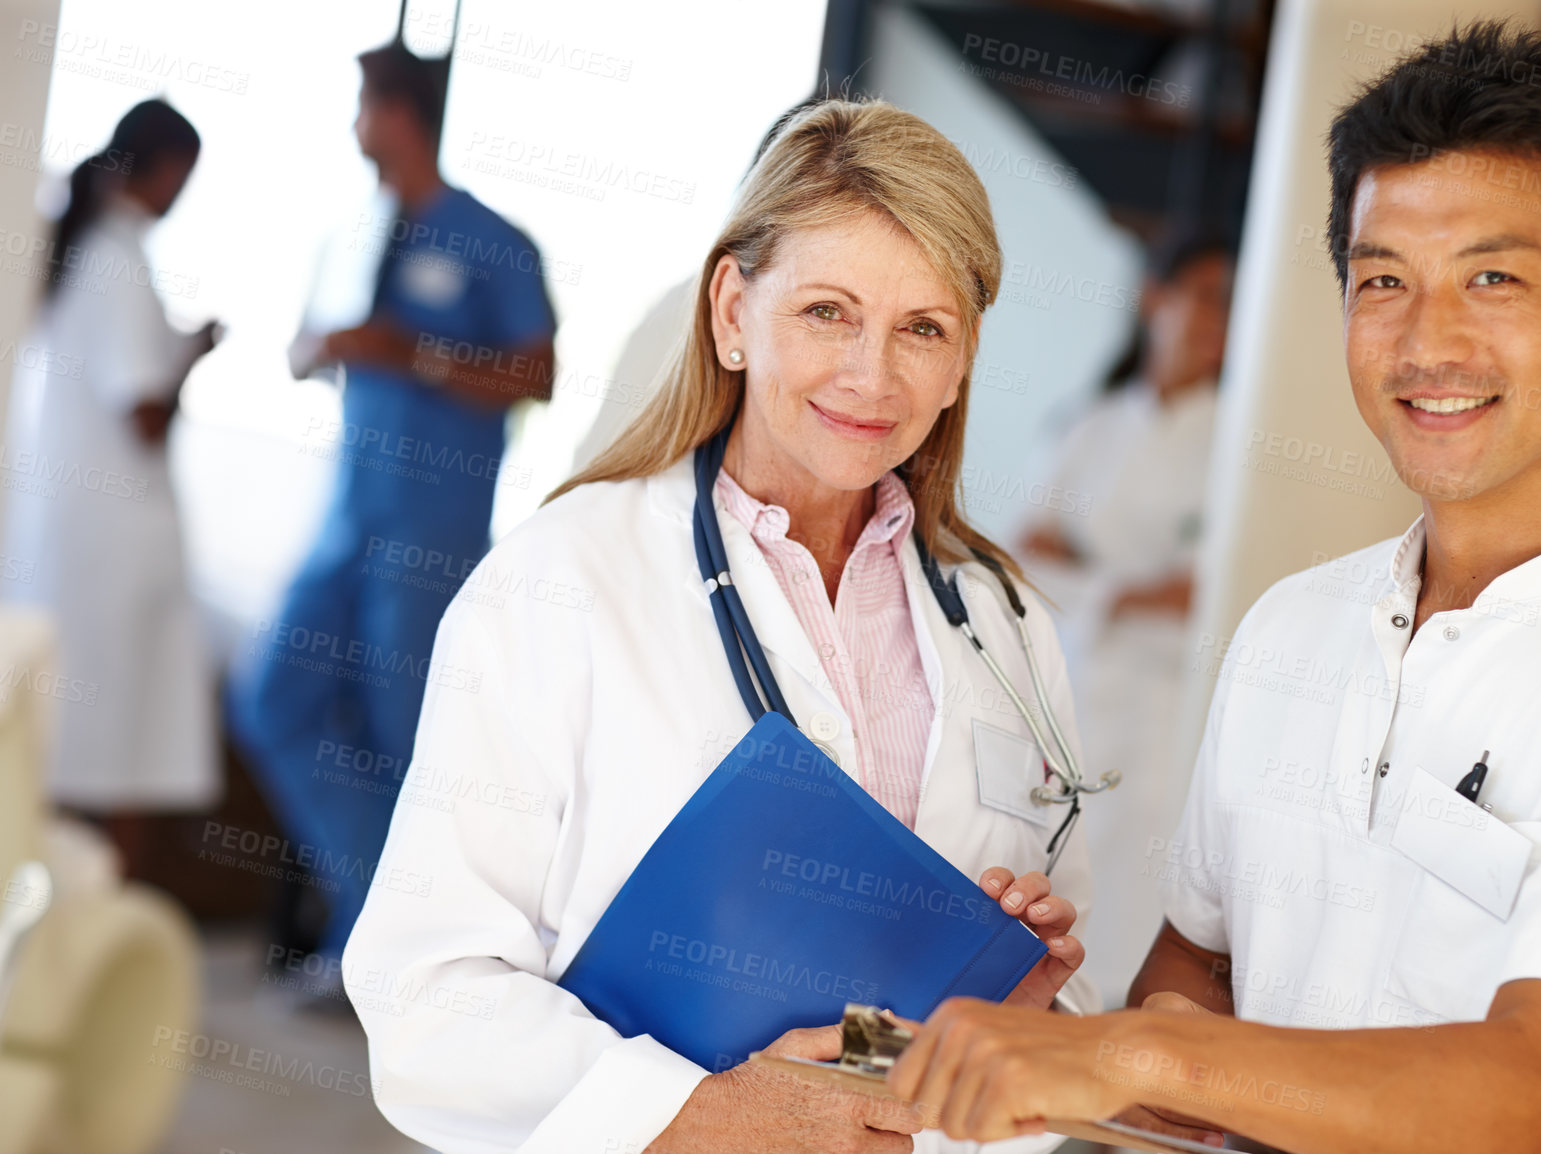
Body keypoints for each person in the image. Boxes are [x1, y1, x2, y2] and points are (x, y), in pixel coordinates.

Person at [882, 21, 1541, 1154]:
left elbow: (1529, 1090)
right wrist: (1062, 1029)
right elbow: (1193, 962)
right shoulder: (1292, 624)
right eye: (1383, 279)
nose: (1429, 339)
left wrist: (1131, 1054)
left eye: (1492, 276)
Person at [343, 98, 1101, 1154]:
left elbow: (877, 1047)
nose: (870, 376)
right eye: (827, 311)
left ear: (963, 357)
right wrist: (696, 1112)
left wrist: (1010, 1030)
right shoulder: (559, 580)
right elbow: (425, 995)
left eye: (921, 327)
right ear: (733, 311)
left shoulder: (1004, 622)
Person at [226, 42, 557, 977]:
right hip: (348, 518)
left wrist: (412, 352)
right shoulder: (352, 235)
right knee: (273, 699)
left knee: (414, 741)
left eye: (362, 107)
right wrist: (323, 344)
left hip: (431, 536)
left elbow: (537, 372)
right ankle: (379, 920)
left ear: (399, 117)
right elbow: (306, 346)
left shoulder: (492, 238)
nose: (354, 128)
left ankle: (408, 960)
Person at [2, 99, 221, 870]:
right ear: (162, 168)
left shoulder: (82, 251)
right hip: (115, 542)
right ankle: (90, 932)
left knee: (68, 738)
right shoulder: (119, 260)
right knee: (115, 744)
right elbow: (143, 414)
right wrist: (193, 352)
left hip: (74, 532)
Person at [1017, 232, 1233, 1003]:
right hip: (1075, 679)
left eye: (1234, 307)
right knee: (1049, 864)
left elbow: (1210, 587)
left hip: (1170, 703)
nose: (1221, 321)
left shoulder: (1236, 438)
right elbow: (1024, 554)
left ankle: (1117, 1066)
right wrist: (1129, 589)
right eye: (1208, 297)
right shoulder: (1092, 423)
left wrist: (1089, 575)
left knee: (1147, 881)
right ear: (1155, 298)